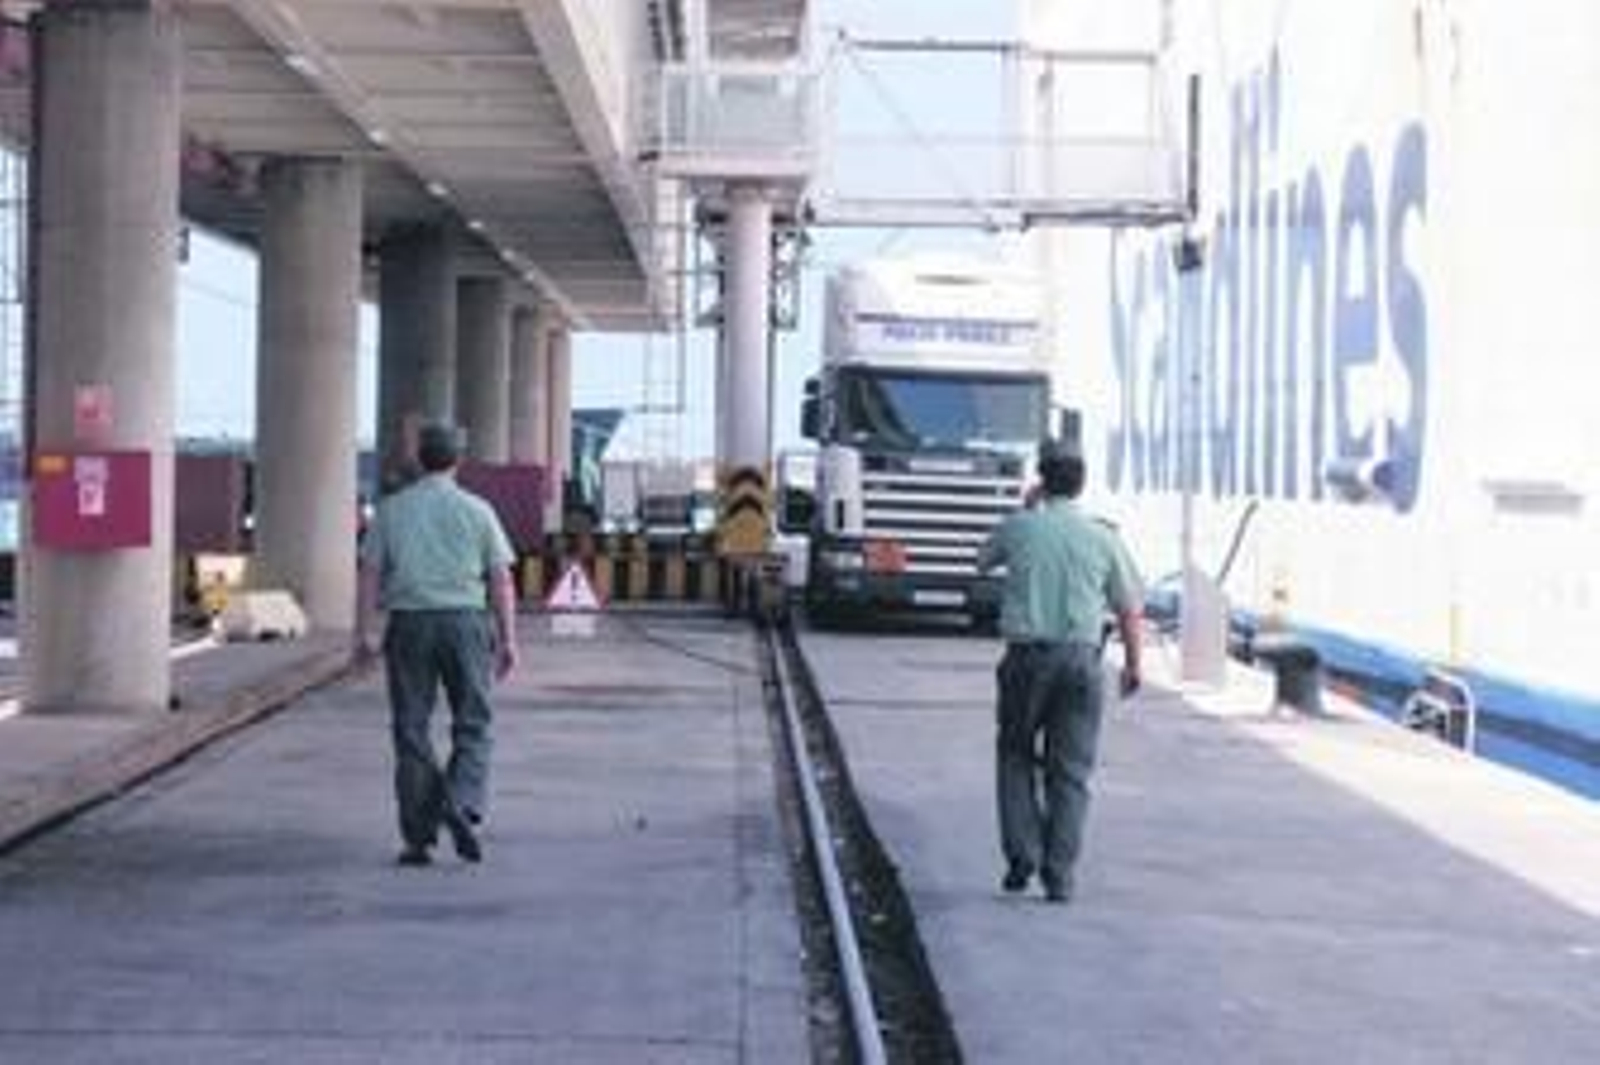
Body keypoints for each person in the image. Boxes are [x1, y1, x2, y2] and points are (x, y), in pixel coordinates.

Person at [976, 439, 1142, 903]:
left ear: (1042, 480)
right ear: (1082, 482)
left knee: (1015, 756)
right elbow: (1129, 609)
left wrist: (1027, 510)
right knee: (1070, 771)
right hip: (1082, 662)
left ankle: (1022, 855)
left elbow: (983, 560)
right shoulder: (1104, 536)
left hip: (1027, 659)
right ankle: (1060, 875)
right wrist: (1133, 665)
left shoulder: (1020, 527)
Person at [356, 422, 519, 867]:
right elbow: (501, 580)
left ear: (418, 459)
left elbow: (369, 574)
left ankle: (418, 837)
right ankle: (461, 801)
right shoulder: (478, 510)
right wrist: (508, 640)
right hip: (465, 622)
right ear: (458, 460)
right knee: (474, 722)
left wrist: (365, 632)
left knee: (410, 729)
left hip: (409, 624)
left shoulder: (391, 510)